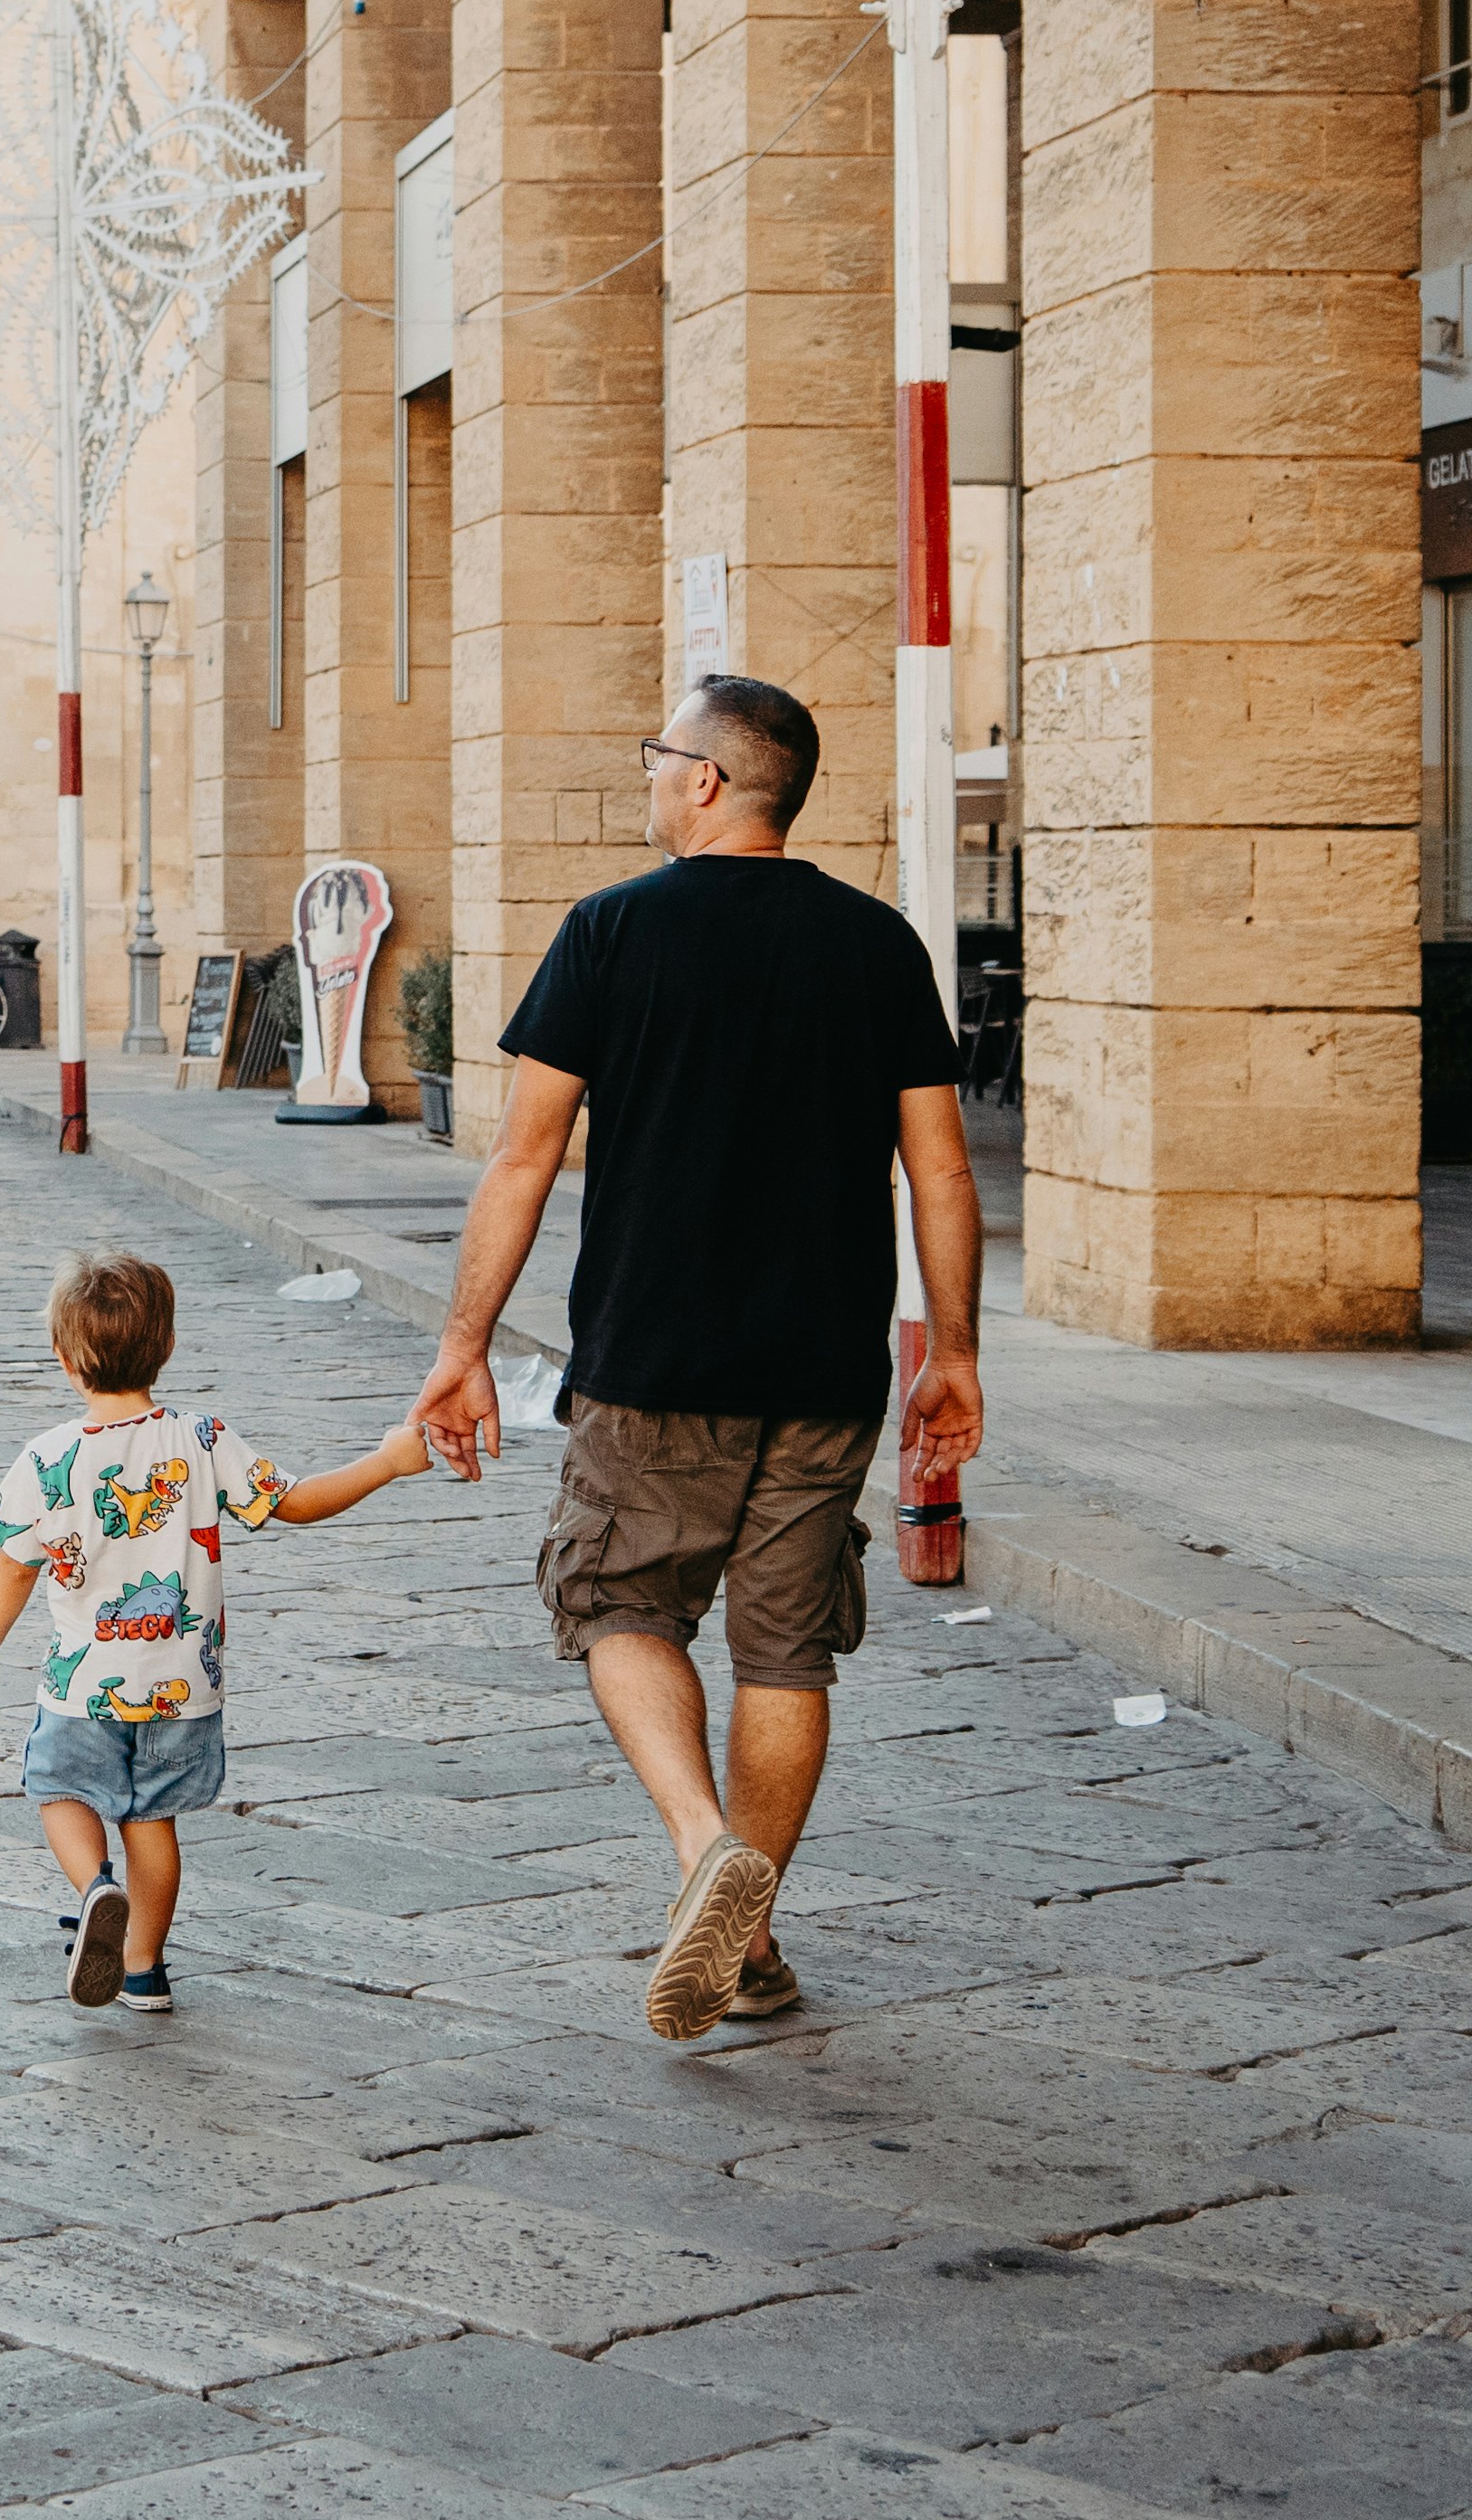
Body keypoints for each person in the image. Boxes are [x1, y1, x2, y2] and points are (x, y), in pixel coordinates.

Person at [418, 672, 981, 2040]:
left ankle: (700, 1851)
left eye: (659, 753)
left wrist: (462, 1344)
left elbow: (524, 1153)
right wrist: (953, 1352)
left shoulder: (612, 930)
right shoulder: (878, 942)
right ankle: (752, 1939)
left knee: (617, 1605)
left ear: (712, 782)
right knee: (786, 1655)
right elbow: (941, 1168)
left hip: (651, 1355)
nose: (649, 774)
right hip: (824, 1365)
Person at [0, 1252, 441, 2013]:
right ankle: (144, 1966)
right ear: (168, 1343)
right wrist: (387, 1461)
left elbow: (14, 1568)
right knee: (153, 1819)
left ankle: (94, 1887)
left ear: (63, 1358)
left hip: (82, 1684)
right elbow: (296, 1502)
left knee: (58, 1788)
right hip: (184, 1682)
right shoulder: (202, 1437)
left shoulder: (46, 1457)